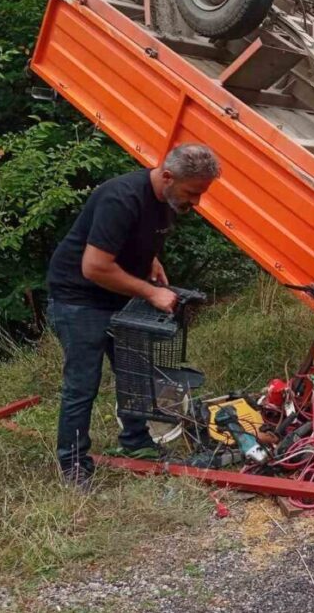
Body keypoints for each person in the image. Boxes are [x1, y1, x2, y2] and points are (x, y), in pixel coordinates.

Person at [46, 143, 220, 487]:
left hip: (120, 295)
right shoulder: (121, 198)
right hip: (80, 298)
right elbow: (95, 266)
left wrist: (151, 261)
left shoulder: (168, 201)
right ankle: (73, 465)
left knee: (135, 373)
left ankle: (136, 443)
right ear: (168, 177)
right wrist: (152, 292)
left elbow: (137, 239)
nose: (196, 203)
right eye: (192, 193)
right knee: (83, 384)